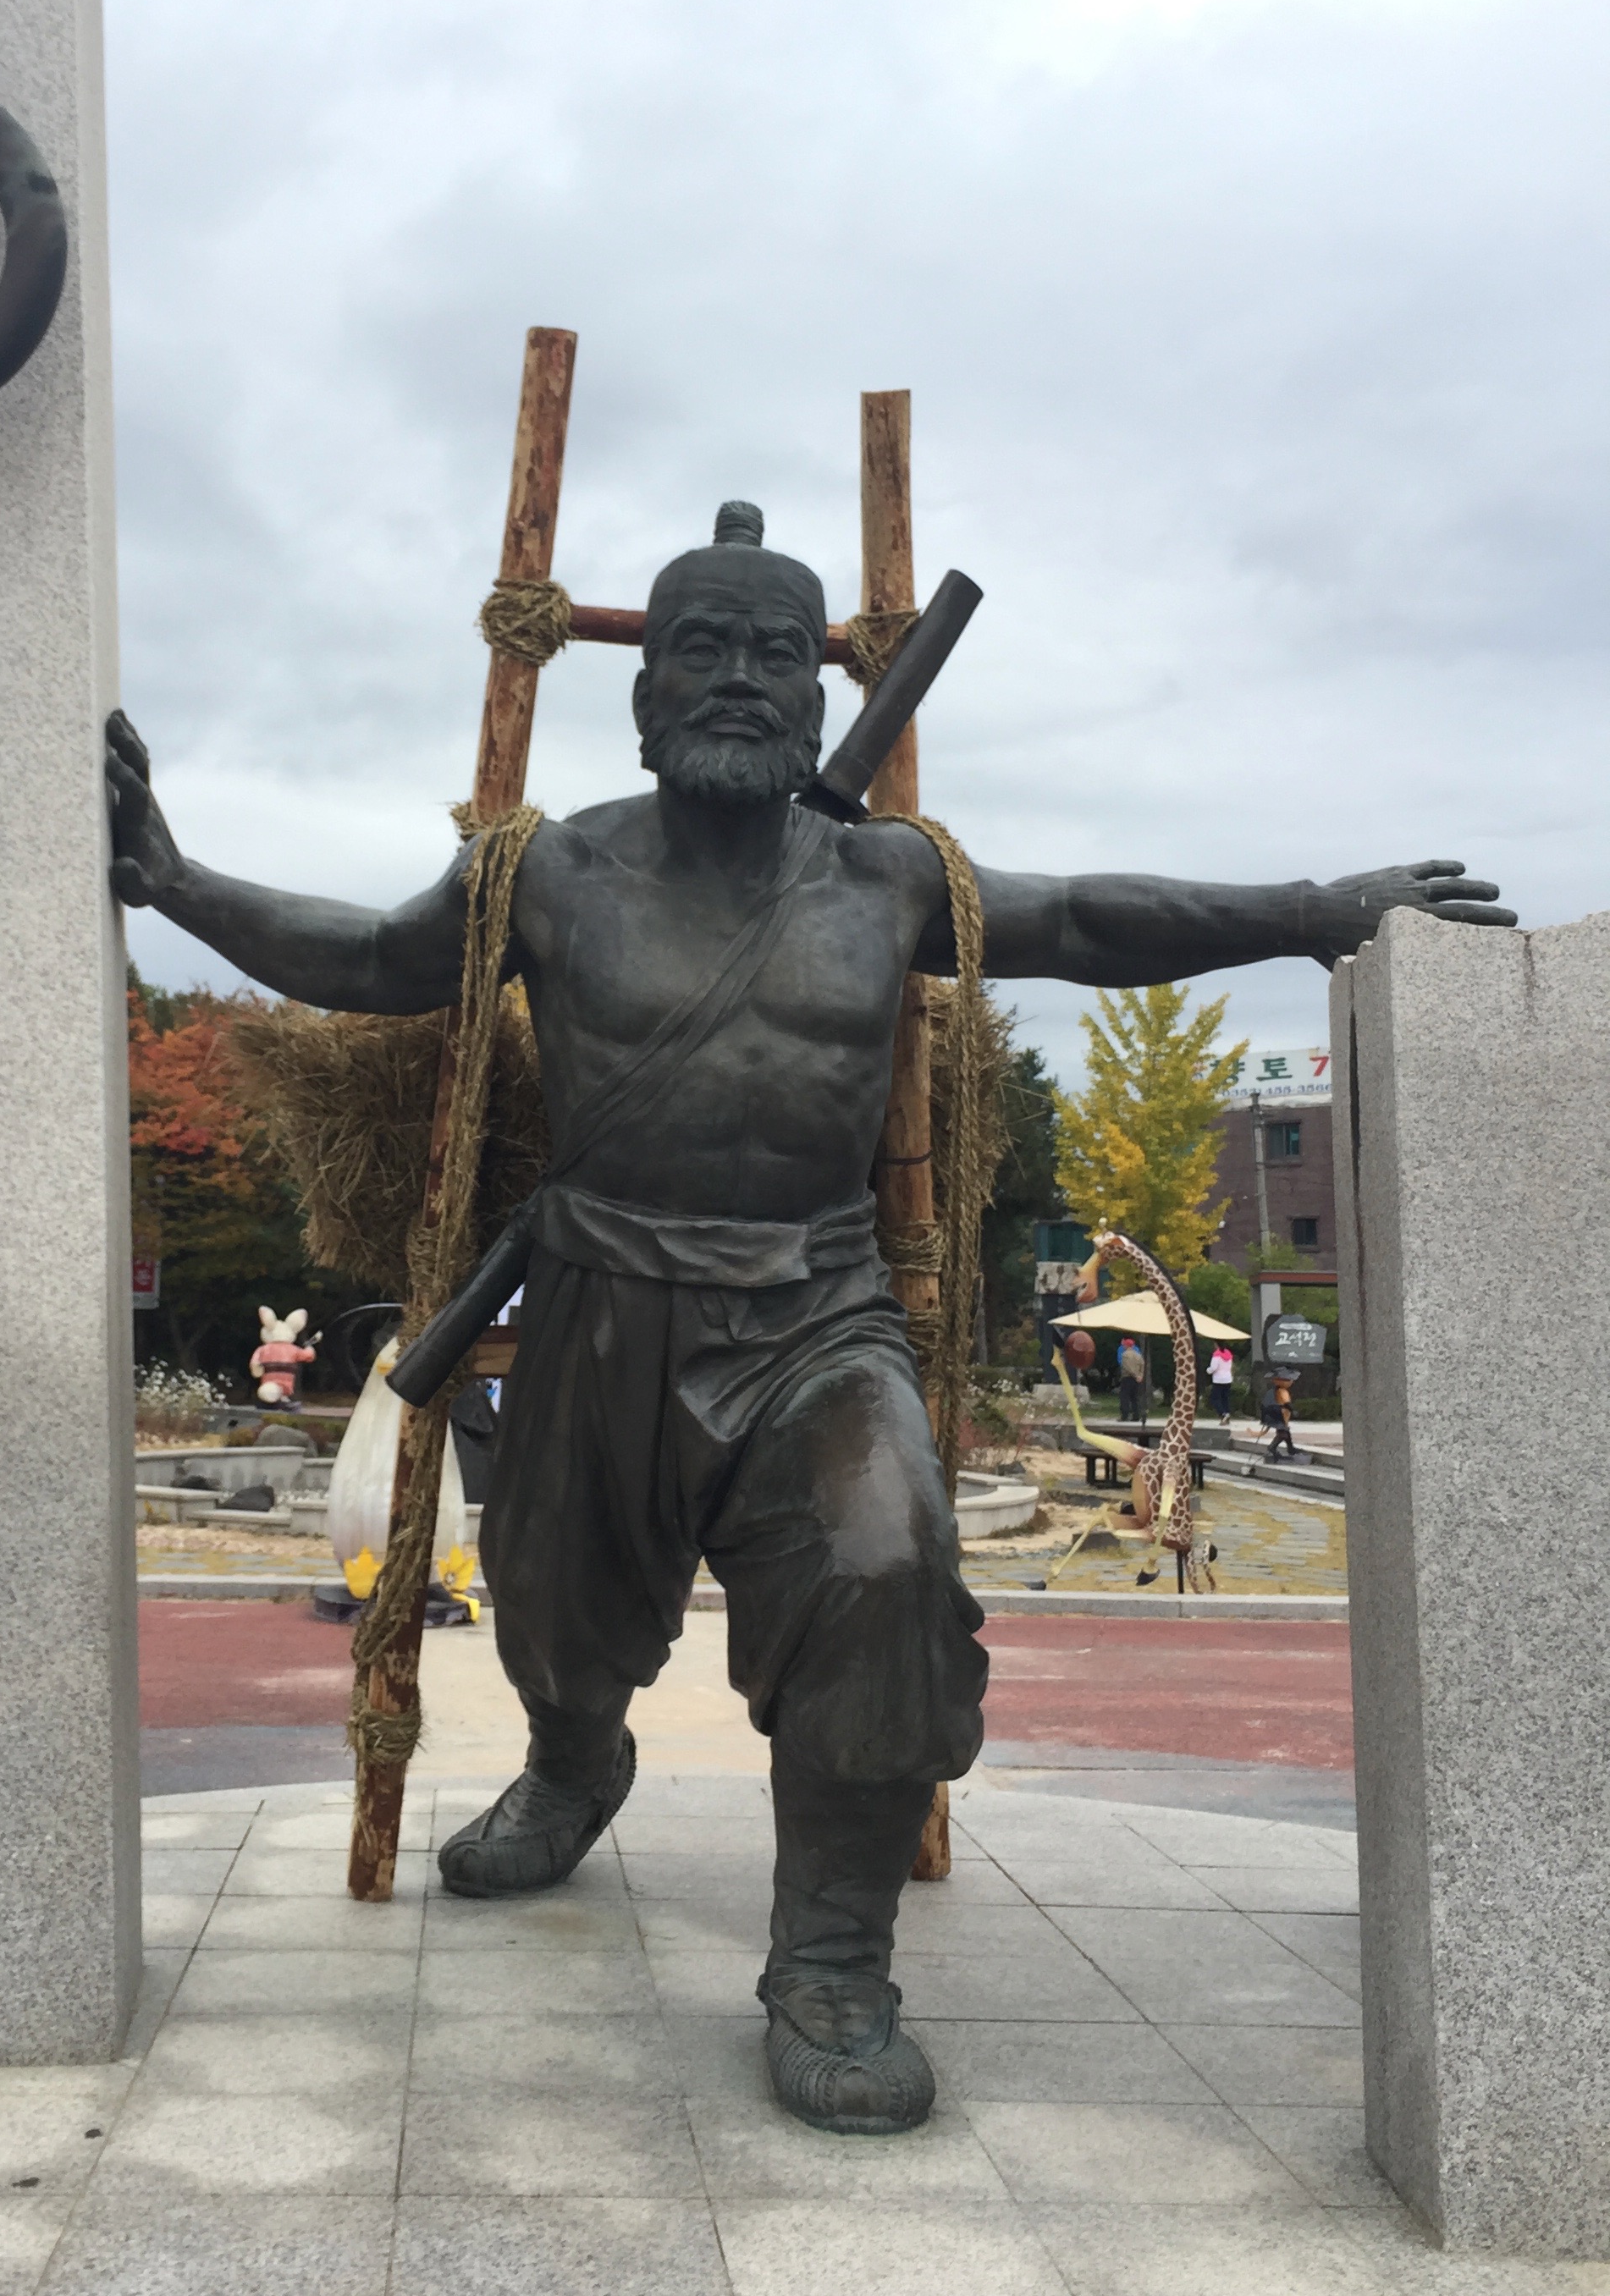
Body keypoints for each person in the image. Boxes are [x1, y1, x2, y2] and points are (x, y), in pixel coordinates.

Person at [105, 498, 1512, 2136]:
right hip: (601, 1301)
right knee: (553, 1611)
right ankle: (574, 1758)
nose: (736, 678)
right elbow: (365, 955)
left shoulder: (887, 875)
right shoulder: (544, 870)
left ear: (813, 689)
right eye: (700, 646)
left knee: (884, 1570)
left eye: (775, 652)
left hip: (815, 1312)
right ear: (644, 688)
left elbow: (1085, 919)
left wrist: (1311, 904)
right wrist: (172, 880)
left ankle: (831, 1962)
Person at [1264, 1368, 1300, 1459]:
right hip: (1281, 1415)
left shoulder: (1276, 1390)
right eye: (1289, 1380)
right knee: (1283, 1434)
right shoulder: (1283, 1391)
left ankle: (1290, 1448)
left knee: (1286, 1431)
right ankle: (1272, 1447)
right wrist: (1293, 1411)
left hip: (1279, 1414)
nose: (1291, 1382)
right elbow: (1287, 1404)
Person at [1116, 1335, 1146, 1423]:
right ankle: (1136, 1416)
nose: (1123, 1347)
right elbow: (1142, 1365)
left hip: (1127, 1378)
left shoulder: (1125, 1355)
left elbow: (1127, 1367)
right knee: (1135, 1398)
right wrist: (1140, 1376)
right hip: (1137, 1380)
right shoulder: (1138, 1355)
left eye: (1124, 1345)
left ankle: (1124, 1416)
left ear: (1127, 1345)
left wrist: (1135, 1375)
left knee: (1124, 1397)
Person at [1207, 1342, 1235, 1423]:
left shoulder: (1217, 1355)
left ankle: (1223, 1414)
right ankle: (1227, 1413)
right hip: (1227, 1379)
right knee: (1225, 1398)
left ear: (1216, 1345)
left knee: (1214, 1399)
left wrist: (1208, 1370)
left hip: (1218, 1380)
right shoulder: (1228, 1354)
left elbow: (1213, 1368)